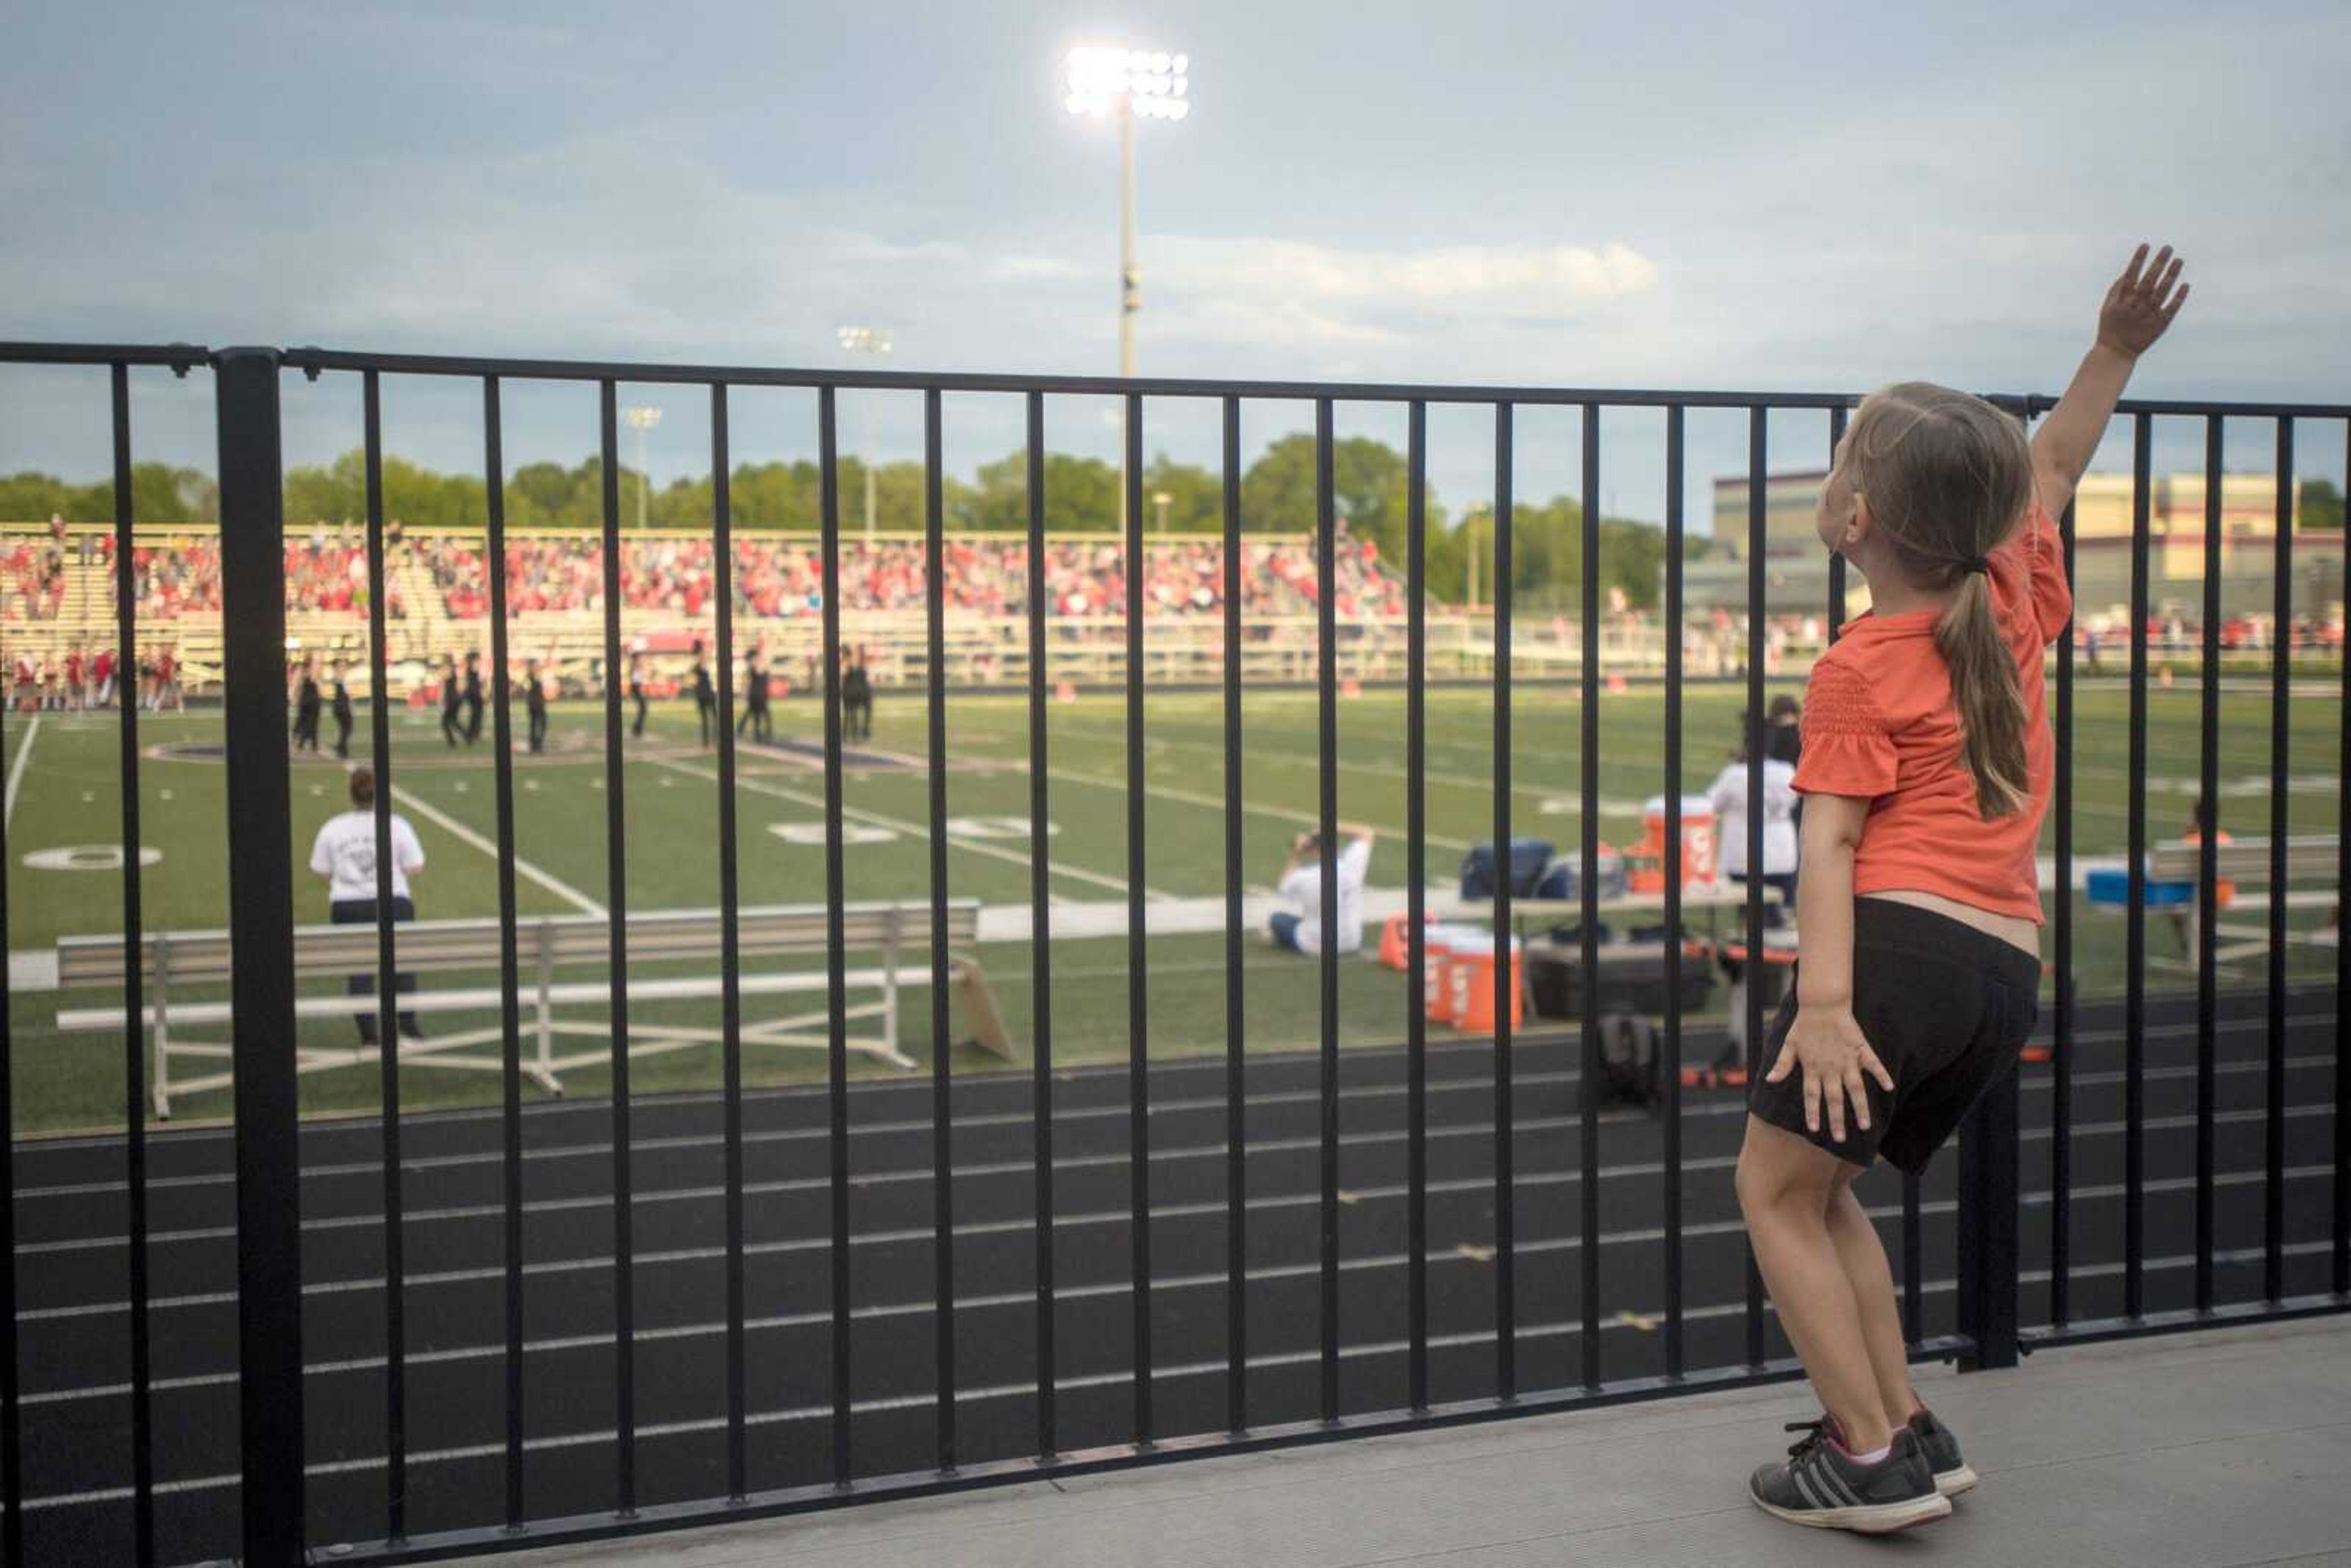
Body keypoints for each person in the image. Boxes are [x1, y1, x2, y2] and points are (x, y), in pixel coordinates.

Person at [1734, 244, 2186, 1534]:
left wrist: (1823, 1003)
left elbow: (1829, 847)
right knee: (1823, 1188)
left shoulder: (1857, 663)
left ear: (1860, 520)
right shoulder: (2005, 598)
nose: (1832, 482)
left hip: (1896, 954)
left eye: (1842, 466)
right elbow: (2051, 466)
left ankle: (1867, 1457)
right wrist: (2115, 351)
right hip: (2003, 961)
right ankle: (1906, 1426)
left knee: (1771, 1192)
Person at [309, 765, 427, 1045]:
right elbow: (416, 866)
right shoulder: (397, 824)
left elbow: (320, 869)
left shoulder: (333, 827)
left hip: (348, 905)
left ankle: (369, 1035)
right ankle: (408, 1025)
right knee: (402, 963)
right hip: (393, 902)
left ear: (351, 794)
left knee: (359, 969)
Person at [1268, 823, 1376, 955]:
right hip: (1352, 942)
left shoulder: (1302, 877)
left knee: (1277, 919)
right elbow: (1367, 833)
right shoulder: (1351, 865)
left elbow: (1284, 888)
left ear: (1312, 850)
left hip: (1314, 945)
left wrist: (1296, 855)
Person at [737, 645, 771, 743]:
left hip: (762, 696)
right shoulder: (753, 669)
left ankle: (761, 733)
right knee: (756, 715)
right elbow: (749, 678)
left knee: (762, 715)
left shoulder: (762, 669)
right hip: (755, 696)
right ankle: (757, 734)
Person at [290, 656, 322, 752]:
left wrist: (295, 698)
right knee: (311, 723)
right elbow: (317, 685)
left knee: (307, 722)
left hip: (306, 700)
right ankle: (309, 744)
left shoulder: (302, 672)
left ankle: (308, 744)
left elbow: (297, 686)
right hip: (312, 701)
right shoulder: (311, 672)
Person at [842, 647, 874, 741]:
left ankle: (860, 730)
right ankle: (854, 732)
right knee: (851, 713)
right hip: (852, 693)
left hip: (856, 693)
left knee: (852, 712)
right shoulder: (848, 664)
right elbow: (847, 678)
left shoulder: (856, 665)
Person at [692, 640, 717, 749]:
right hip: (704, 694)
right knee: (708, 718)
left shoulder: (700, 665)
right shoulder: (699, 666)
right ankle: (707, 742)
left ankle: (712, 740)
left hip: (705, 693)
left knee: (713, 717)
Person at [329, 661, 354, 759]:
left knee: (345, 728)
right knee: (347, 728)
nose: (344, 667)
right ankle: (342, 750)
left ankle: (340, 747)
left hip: (339, 706)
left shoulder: (340, 676)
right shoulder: (340, 677)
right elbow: (347, 693)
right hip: (342, 707)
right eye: (342, 666)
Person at [524, 657, 550, 754]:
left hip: (535, 704)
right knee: (539, 725)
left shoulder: (534, 676)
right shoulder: (531, 677)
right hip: (536, 704)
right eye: (535, 665)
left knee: (536, 725)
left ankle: (535, 746)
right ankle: (536, 746)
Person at [461, 650, 486, 745]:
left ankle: (474, 733)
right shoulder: (472, 668)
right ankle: (472, 734)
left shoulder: (470, 668)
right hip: (474, 694)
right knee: (476, 715)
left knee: (476, 715)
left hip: (473, 694)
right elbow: (476, 682)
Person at [438, 653, 462, 748]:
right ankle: (467, 736)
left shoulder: (448, 669)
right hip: (453, 698)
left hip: (451, 699)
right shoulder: (451, 668)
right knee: (453, 721)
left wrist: (441, 699)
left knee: (445, 723)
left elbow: (445, 682)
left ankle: (452, 742)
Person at [628, 651, 648, 739]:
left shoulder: (635, 666)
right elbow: (636, 680)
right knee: (643, 710)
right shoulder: (635, 666)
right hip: (636, 689)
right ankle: (637, 730)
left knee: (643, 710)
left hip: (636, 689)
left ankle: (637, 729)